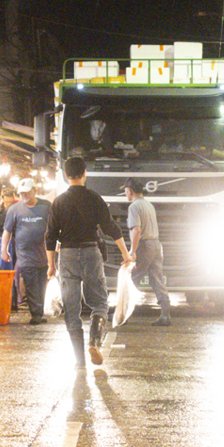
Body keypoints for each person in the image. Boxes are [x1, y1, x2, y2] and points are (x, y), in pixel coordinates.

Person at [45, 156, 132, 368]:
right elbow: (111, 227)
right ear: (85, 174)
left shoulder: (59, 202)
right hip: (91, 252)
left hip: (66, 254)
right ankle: (94, 342)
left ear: (66, 176)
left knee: (71, 308)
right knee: (99, 302)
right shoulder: (94, 198)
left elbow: (50, 236)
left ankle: (79, 361)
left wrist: (51, 266)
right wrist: (125, 254)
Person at [1, 179, 52, 325]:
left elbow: (55, 226)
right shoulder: (14, 209)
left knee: (42, 283)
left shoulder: (46, 206)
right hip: (25, 255)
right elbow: (7, 231)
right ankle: (36, 314)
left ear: (34, 191)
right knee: (30, 282)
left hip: (44, 254)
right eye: (21, 193)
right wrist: (4, 250)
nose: (24, 195)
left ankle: (39, 311)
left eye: (27, 192)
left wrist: (58, 242)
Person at [124, 177, 172, 325]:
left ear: (130, 191)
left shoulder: (134, 207)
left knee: (131, 278)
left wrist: (132, 251)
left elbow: (137, 230)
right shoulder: (148, 204)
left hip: (145, 245)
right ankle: (165, 315)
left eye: (125, 191)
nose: (125, 193)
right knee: (157, 278)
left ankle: (122, 314)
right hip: (156, 244)